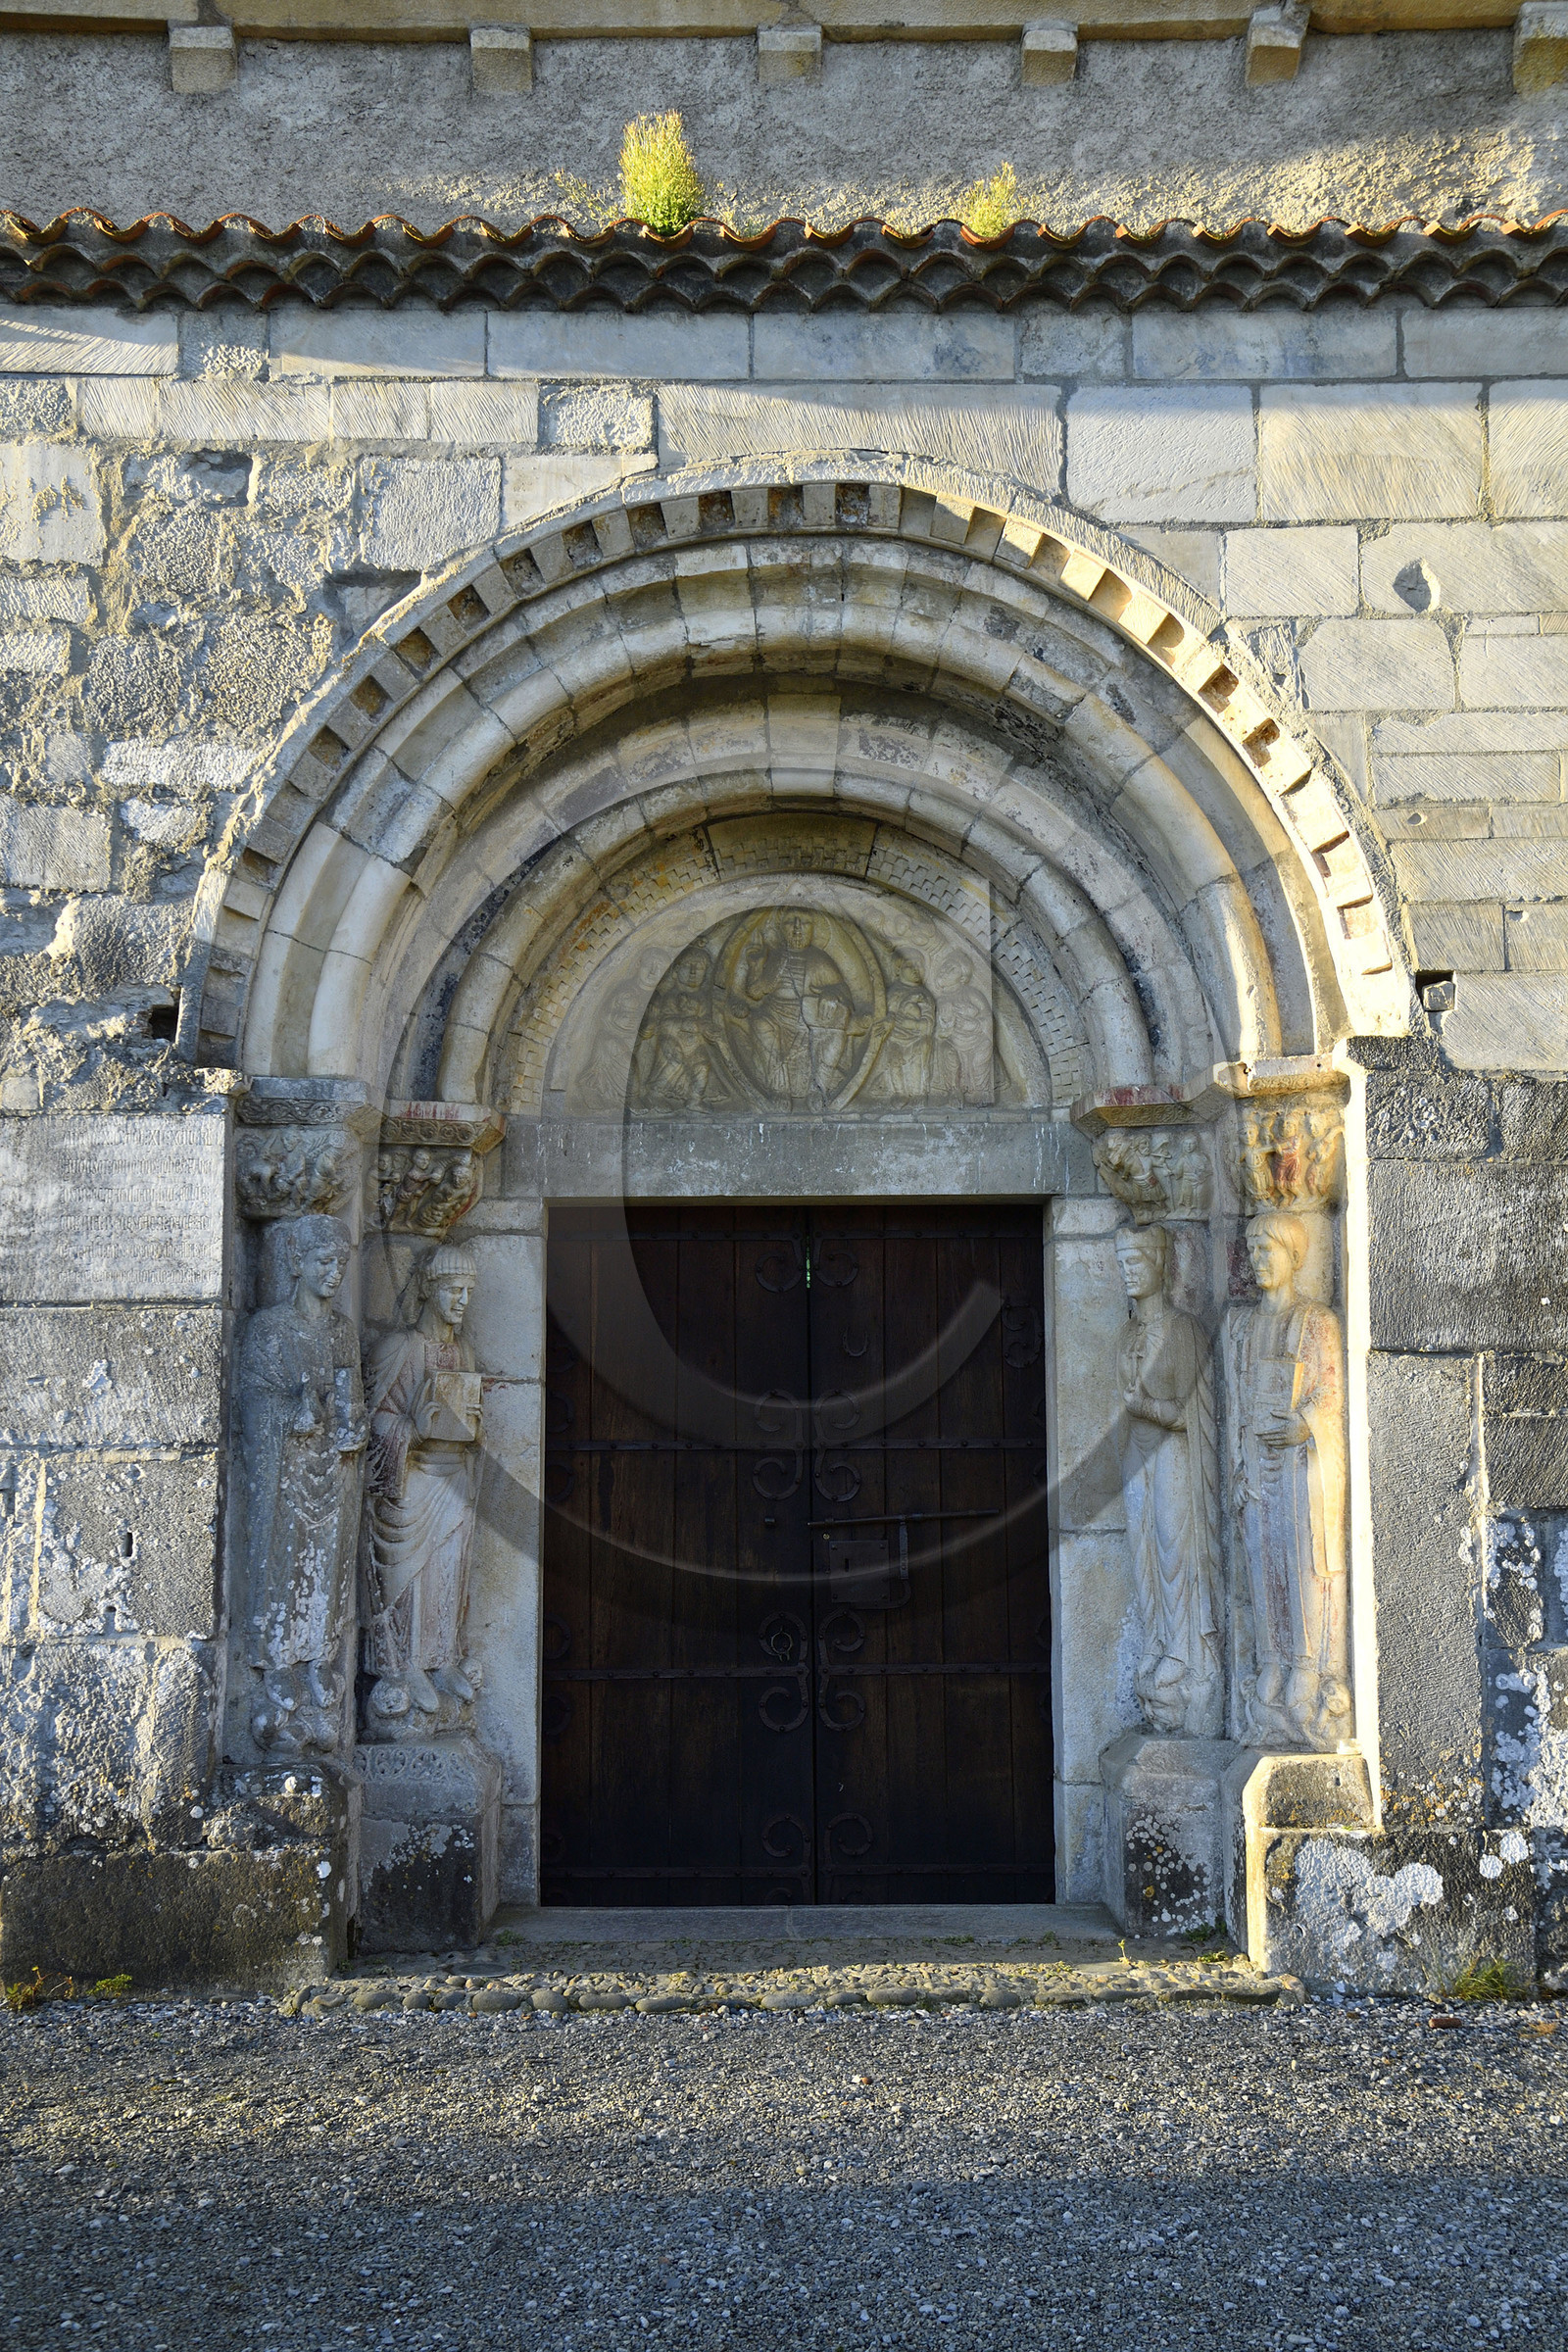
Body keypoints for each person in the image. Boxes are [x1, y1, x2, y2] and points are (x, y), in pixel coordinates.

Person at [239, 1214, 366, 1755]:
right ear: (298, 1264)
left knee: (328, 1563)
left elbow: (352, 1393)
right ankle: (277, 1666)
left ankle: (317, 1658)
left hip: (332, 1473)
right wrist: (291, 1411)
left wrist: (350, 1420)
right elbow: (251, 1403)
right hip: (284, 1473)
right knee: (281, 1562)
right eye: (323, 1261)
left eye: (341, 1263)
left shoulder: (342, 1332)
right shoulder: (269, 1329)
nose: (334, 1273)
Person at [1230, 1208, 1351, 1750]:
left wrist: (1303, 1424)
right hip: (1258, 1463)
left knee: (1301, 1562)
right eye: (1253, 1251)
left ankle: (1308, 1662)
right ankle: (1272, 1659)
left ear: (1295, 1257)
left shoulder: (1317, 1321)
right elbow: (1234, 1401)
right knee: (1263, 1561)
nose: (1258, 1261)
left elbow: (1330, 1395)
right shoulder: (1244, 1325)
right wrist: (1238, 1460)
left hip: (1303, 1466)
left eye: (1268, 1251)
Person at [360, 1243, 484, 1739]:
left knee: (449, 1574)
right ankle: (406, 1665)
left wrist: (470, 1421)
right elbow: (374, 1422)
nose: (462, 1301)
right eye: (455, 1290)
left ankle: (442, 1660)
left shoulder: (464, 1351)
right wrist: (410, 1427)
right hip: (411, 1483)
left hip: (452, 1478)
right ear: (431, 1291)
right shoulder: (403, 1348)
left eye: (469, 1292)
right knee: (410, 1578)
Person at [1114, 1222, 1222, 1738]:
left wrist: (1147, 1408)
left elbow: (1191, 1415)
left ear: (1161, 1264)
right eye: (1123, 1263)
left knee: (1175, 1547)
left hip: (1175, 1453)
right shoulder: (1130, 1334)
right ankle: (1158, 1639)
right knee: (1144, 1552)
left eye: (1137, 1261)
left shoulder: (1182, 1331)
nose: (1129, 1271)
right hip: (1139, 1455)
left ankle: (1184, 1650)